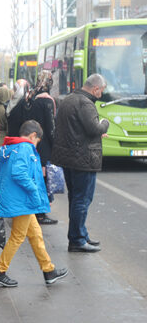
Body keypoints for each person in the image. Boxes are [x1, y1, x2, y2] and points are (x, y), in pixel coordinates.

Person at [0, 120, 68, 287]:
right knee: (18, 236)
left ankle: (48, 271)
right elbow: (19, 173)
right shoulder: (25, 148)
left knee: (35, 234)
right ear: (33, 136)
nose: (37, 145)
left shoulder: (9, 148)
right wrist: (35, 191)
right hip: (23, 200)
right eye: (37, 141)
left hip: (18, 199)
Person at [52, 74, 108, 253]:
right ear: (95, 88)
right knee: (82, 200)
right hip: (83, 159)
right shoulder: (86, 103)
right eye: (102, 91)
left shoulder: (68, 100)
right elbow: (94, 128)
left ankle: (80, 234)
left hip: (69, 157)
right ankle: (77, 239)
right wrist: (104, 123)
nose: (101, 95)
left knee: (75, 198)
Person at [26, 71, 58, 225]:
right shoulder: (47, 101)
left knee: (36, 177)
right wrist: (56, 145)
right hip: (45, 146)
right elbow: (51, 127)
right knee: (44, 179)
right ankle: (41, 213)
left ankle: (36, 210)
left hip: (33, 142)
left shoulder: (32, 97)